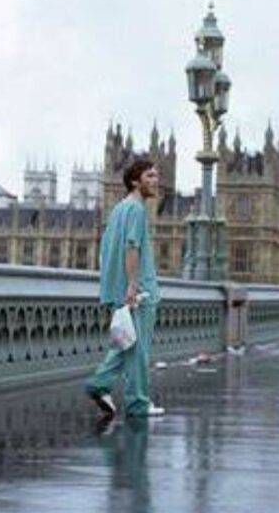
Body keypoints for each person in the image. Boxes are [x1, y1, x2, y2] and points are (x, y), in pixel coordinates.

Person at [85, 158, 165, 418]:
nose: (156, 181)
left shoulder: (118, 209)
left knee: (127, 344)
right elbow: (132, 247)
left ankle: (99, 384)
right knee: (138, 348)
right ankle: (138, 404)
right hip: (137, 290)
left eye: (156, 176)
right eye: (150, 176)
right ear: (135, 181)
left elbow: (108, 249)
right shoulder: (137, 210)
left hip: (116, 288)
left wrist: (114, 285)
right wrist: (132, 285)